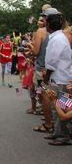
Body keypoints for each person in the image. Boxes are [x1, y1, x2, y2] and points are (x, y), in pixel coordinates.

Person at [42, 9, 72, 145]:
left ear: (49, 24)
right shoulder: (57, 38)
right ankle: (57, 133)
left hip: (61, 78)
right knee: (57, 107)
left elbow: (52, 62)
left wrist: (46, 76)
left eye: (44, 21)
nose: (43, 23)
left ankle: (63, 136)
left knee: (62, 107)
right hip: (59, 78)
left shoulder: (58, 39)